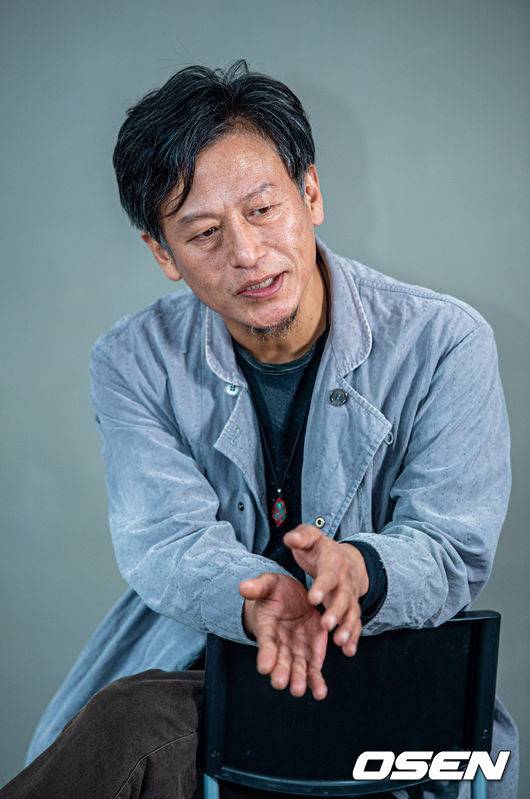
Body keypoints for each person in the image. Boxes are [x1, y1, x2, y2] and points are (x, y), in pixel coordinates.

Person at [1, 60, 518, 799]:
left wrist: (361, 571)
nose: (246, 254)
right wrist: (259, 597)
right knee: (128, 726)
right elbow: (164, 540)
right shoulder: (132, 361)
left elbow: (452, 545)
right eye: (204, 233)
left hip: (391, 667)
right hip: (213, 666)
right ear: (163, 253)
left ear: (311, 193)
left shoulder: (444, 342)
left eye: (264, 209)